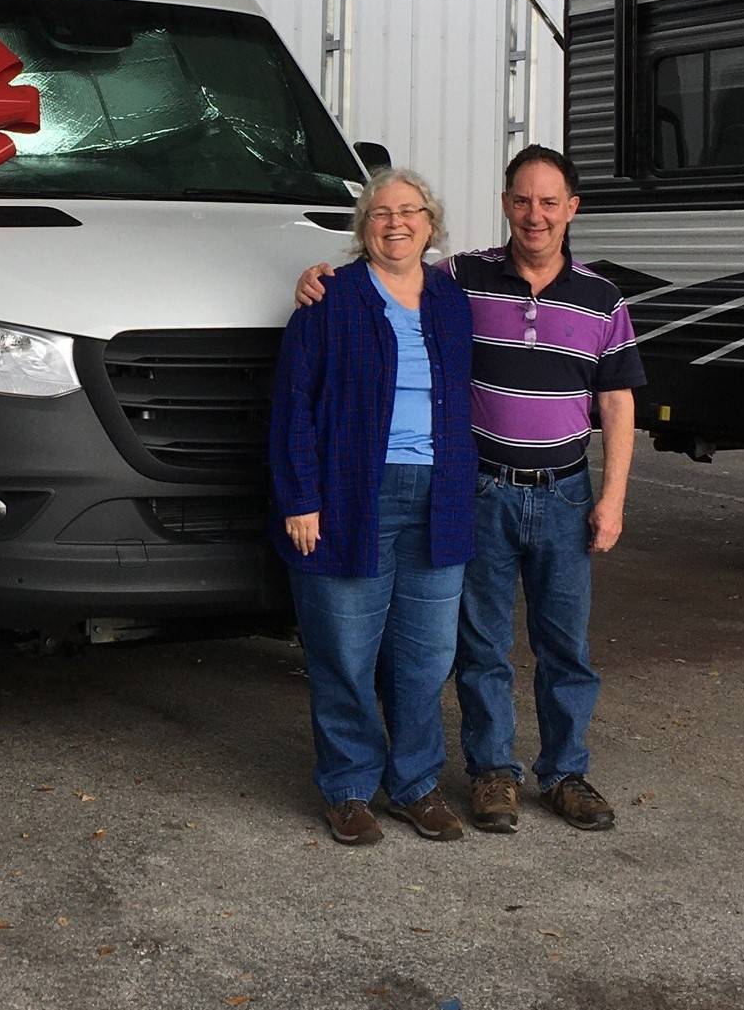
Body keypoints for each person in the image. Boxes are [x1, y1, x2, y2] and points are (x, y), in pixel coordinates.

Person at [294, 145, 644, 833]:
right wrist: (316, 276)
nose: (534, 214)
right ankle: (452, 778)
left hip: (530, 492)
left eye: (549, 201)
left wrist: (615, 496)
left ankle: (535, 774)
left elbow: (619, 403)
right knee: (436, 646)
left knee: (518, 647)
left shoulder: (584, 297)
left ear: (572, 208)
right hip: (452, 491)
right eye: (522, 199)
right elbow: (307, 386)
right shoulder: (440, 283)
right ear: (505, 203)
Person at [270, 168, 477, 845]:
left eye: (409, 210)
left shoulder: (451, 300)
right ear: (364, 227)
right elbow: (294, 403)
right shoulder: (329, 299)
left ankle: (415, 784)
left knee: (425, 655)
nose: (396, 222)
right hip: (351, 495)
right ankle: (349, 786)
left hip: (440, 495)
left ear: (430, 221)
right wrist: (301, 497)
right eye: (381, 212)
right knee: (345, 651)